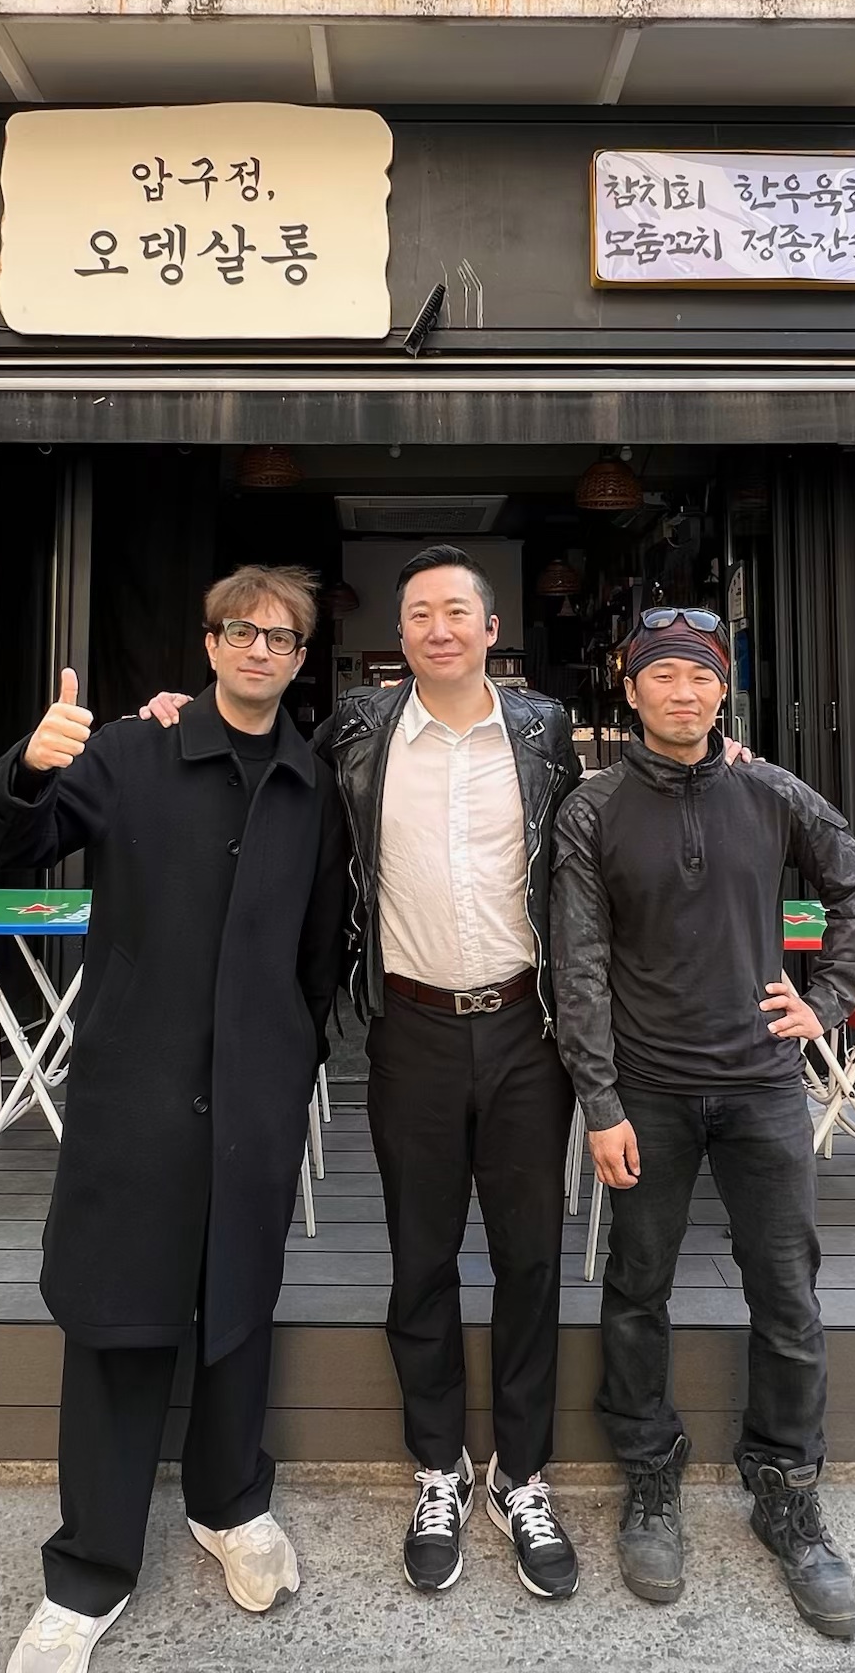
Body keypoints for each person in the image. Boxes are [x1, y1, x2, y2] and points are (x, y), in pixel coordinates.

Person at [146, 545, 585, 1601]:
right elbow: (264, 772)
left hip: (527, 1028)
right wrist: (176, 716)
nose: (439, 628)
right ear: (401, 633)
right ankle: (439, 1467)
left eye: (457, 611)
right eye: (420, 612)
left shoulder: (544, 731)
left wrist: (717, 757)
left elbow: (597, 835)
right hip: (411, 1027)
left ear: (490, 629)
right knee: (420, 1259)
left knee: (530, 1260)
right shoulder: (356, 728)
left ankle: (521, 1476)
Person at [0, 565, 347, 1673]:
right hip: (135, 1088)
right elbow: (15, 847)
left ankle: (231, 1502)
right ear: (210, 641)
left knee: (239, 1303)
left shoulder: (312, 783)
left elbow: (321, 942)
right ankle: (88, 1570)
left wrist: (293, 1055)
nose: (259, 648)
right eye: (241, 629)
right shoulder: (134, 752)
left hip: (255, 1095)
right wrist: (25, 766)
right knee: (116, 1316)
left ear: (300, 658)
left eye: (281, 636)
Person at [550, 607, 855, 1641]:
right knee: (636, 1286)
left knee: (786, 1291)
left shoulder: (772, 789)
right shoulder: (592, 807)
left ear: (721, 689)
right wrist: (600, 1100)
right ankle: (650, 1476)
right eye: (664, 676)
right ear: (631, 689)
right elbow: (578, 964)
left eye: (701, 676)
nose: (684, 692)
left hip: (762, 1086)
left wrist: (826, 999)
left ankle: (786, 1488)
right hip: (646, 1088)